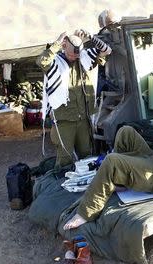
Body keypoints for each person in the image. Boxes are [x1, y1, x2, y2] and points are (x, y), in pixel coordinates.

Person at [36, 29, 111, 169]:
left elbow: (107, 50)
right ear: (64, 48)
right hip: (64, 119)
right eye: (71, 54)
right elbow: (41, 61)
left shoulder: (84, 58)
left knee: (87, 155)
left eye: (75, 55)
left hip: (83, 118)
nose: (73, 58)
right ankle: (62, 188)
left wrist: (91, 37)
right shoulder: (55, 62)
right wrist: (57, 43)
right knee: (65, 158)